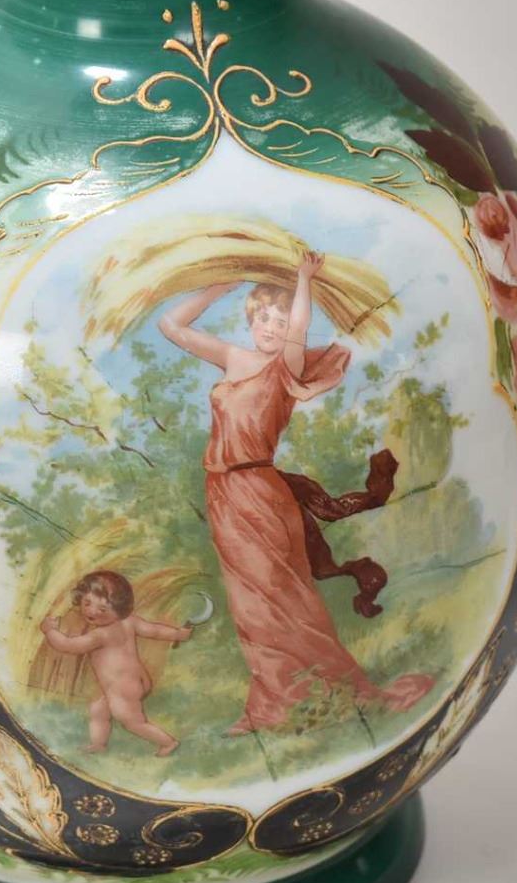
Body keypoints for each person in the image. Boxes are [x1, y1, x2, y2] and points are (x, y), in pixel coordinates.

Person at [158, 251, 434, 735]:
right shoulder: (233, 359)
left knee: (282, 594)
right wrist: (220, 286)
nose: (271, 327)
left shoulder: (285, 368)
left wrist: (304, 279)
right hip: (222, 492)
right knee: (248, 600)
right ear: (250, 320)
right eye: (263, 317)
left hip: (259, 491)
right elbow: (171, 326)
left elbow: (300, 330)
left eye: (280, 321)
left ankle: (333, 690)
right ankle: (269, 703)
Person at [40, 570, 191, 757]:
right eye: (87, 603)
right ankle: (98, 744)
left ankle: (168, 742)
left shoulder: (100, 635)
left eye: (102, 609)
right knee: (98, 710)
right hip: (133, 681)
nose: (92, 611)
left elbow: (69, 645)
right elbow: (154, 631)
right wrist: (178, 634)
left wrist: (50, 631)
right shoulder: (130, 622)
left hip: (123, 688)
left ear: (120, 608)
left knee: (132, 722)